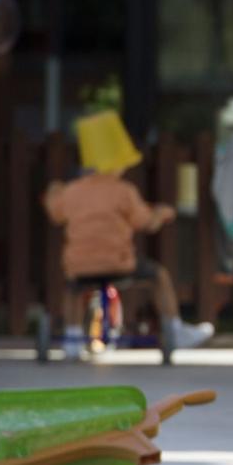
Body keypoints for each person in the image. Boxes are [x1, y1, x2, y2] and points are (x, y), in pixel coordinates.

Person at [43, 110, 214, 360]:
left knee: (73, 289)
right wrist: (162, 213)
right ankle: (175, 329)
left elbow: (55, 213)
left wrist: (53, 191)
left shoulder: (72, 192)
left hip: (81, 266)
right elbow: (144, 222)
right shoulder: (123, 191)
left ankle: (71, 337)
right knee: (159, 276)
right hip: (118, 264)